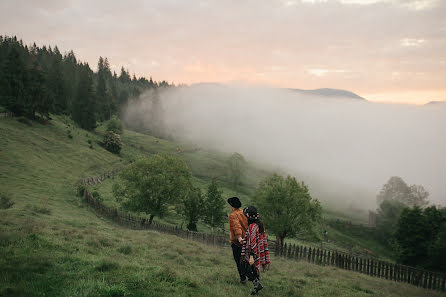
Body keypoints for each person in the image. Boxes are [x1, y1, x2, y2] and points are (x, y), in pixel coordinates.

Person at [241, 206, 270, 295]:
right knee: (254, 271)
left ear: (249, 216)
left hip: (253, 253)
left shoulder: (252, 227)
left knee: (244, 269)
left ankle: (257, 285)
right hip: (258, 252)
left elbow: (252, 243)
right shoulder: (260, 224)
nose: (245, 217)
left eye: (246, 215)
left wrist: (251, 256)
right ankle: (256, 290)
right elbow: (260, 240)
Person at [227, 196, 248, 284]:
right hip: (246, 240)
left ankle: (243, 279)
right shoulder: (244, 212)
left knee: (239, 261)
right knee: (246, 259)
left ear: (231, 205)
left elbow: (236, 226)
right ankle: (252, 276)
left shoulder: (233, 215)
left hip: (237, 242)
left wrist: (239, 237)